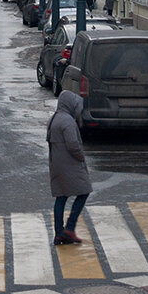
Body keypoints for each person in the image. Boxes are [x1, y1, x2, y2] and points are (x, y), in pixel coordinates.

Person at [48, 91, 91, 245]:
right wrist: (81, 157)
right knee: (84, 191)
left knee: (61, 196)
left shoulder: (54, 118)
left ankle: (59, 233)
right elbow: (73, 145)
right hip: (69, 165)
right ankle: (70, 228)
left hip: (56, 165)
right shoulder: (68, 121)